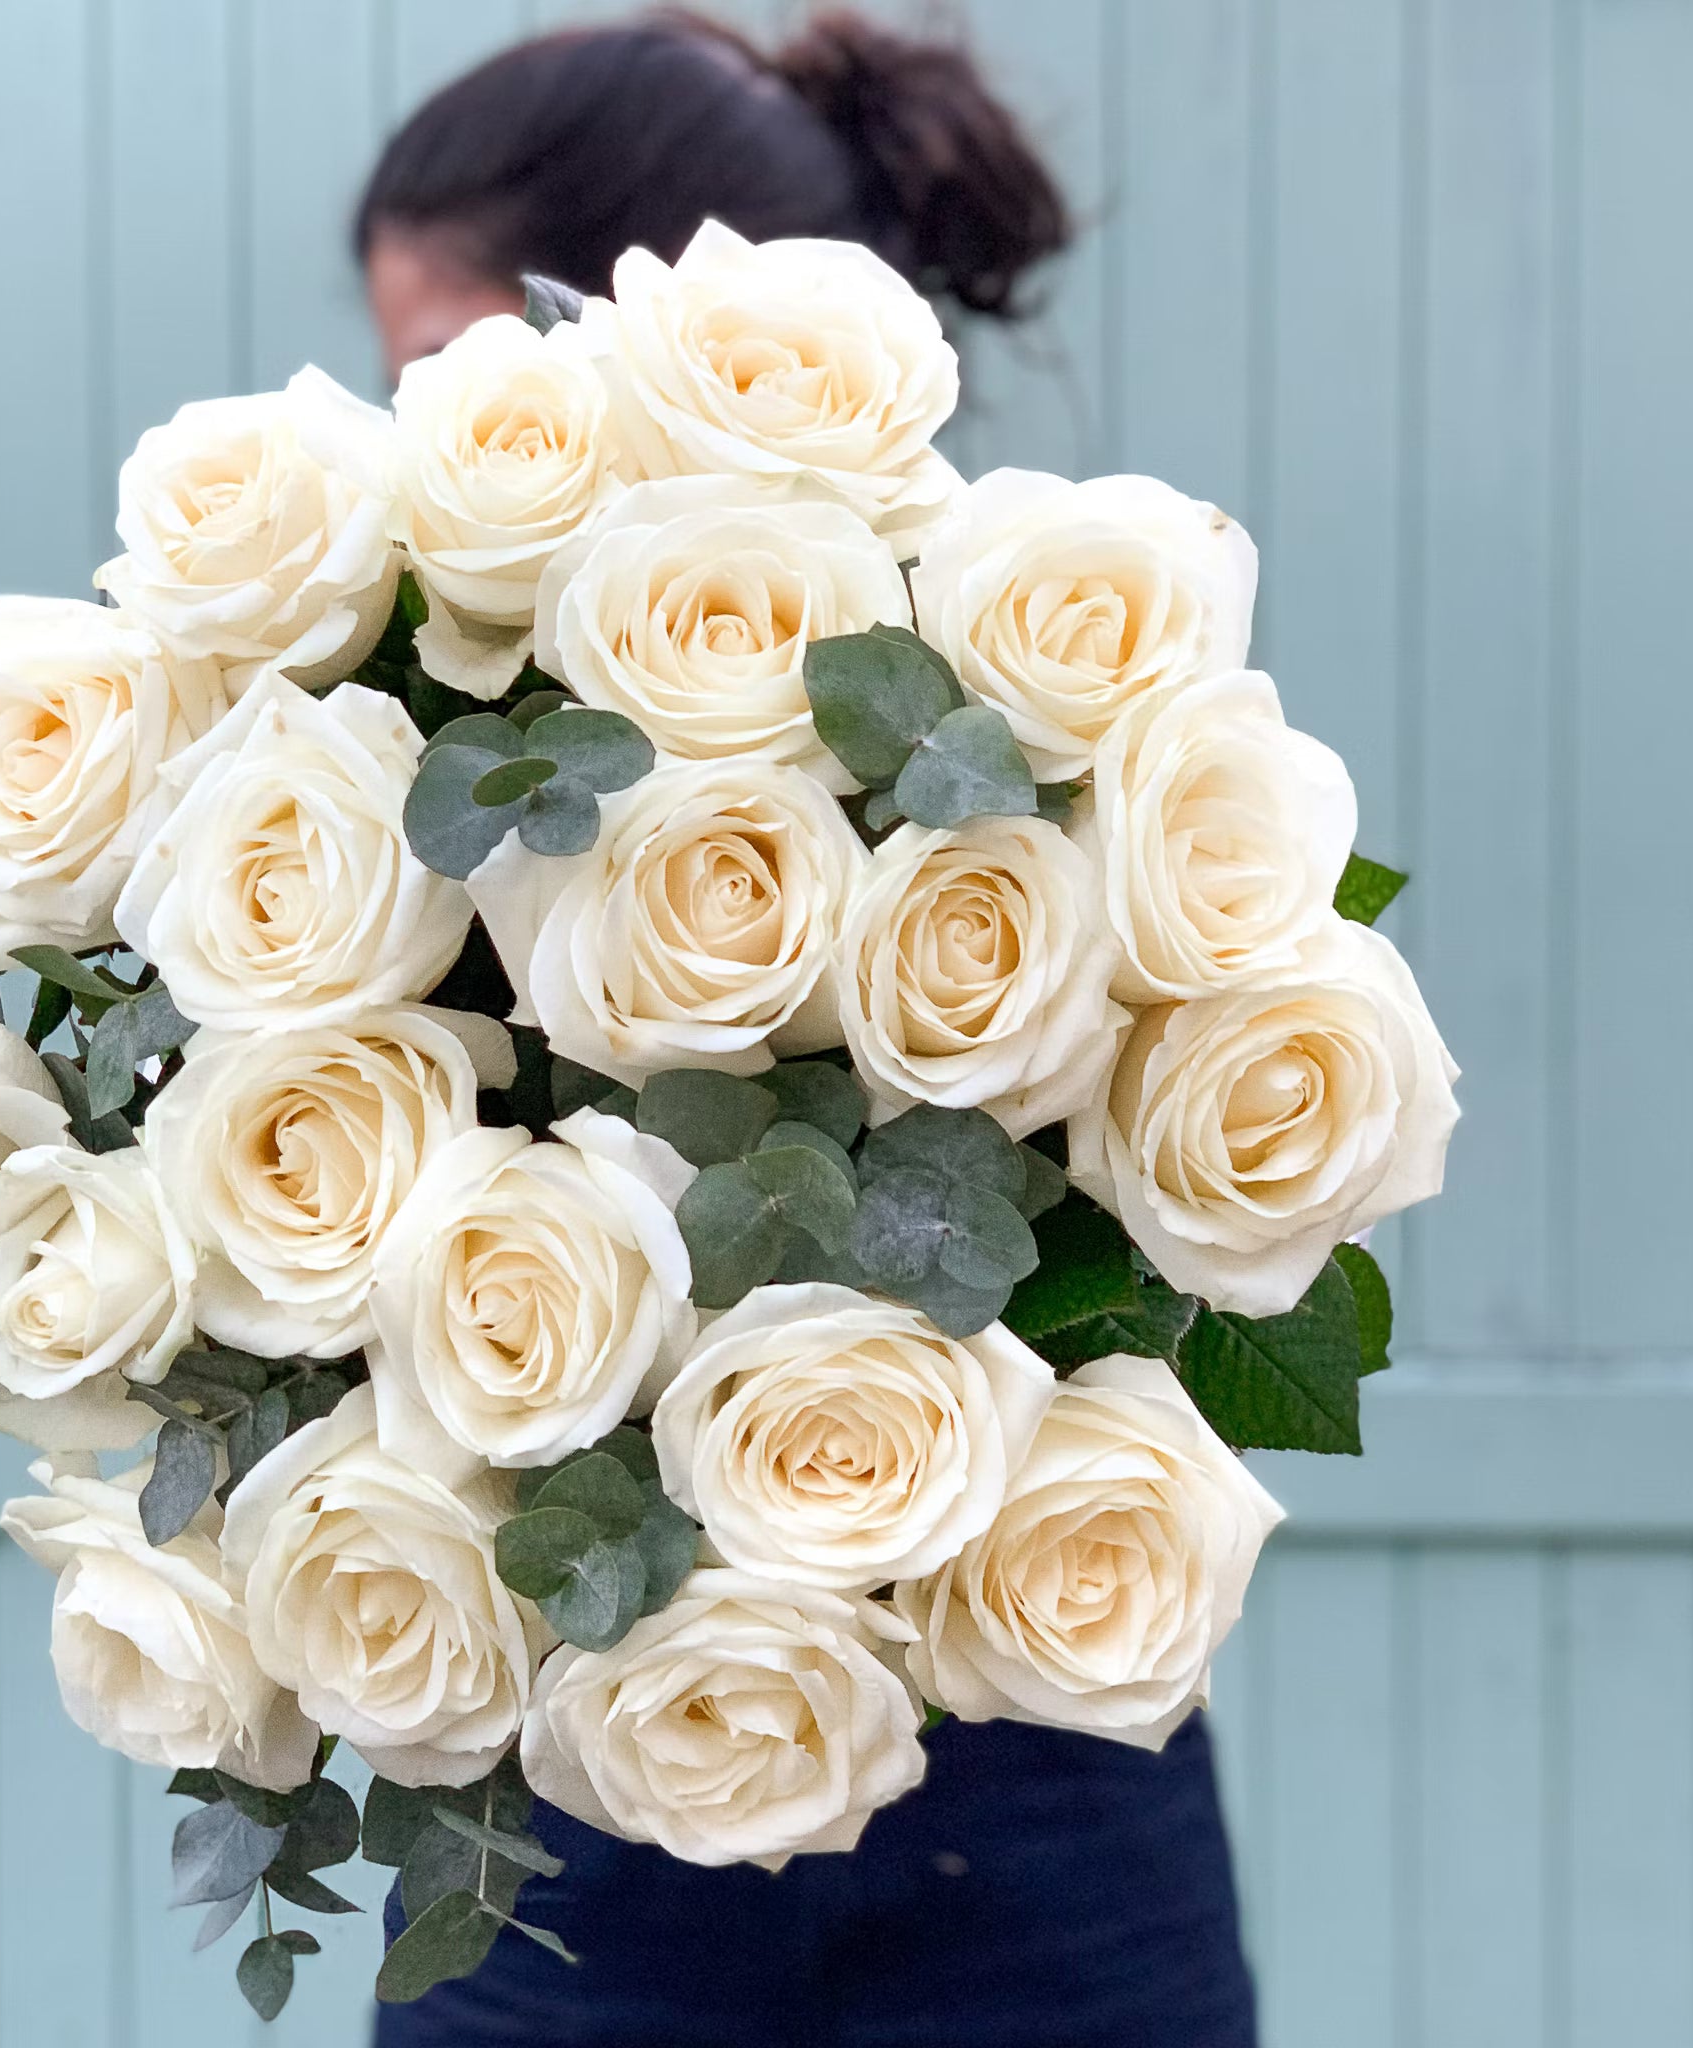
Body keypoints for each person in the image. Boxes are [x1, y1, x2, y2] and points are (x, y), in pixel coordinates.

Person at [354, 14, 1259, 2045]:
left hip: (1028, 1734)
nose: (417, 437)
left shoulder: (1044, 712)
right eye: (403, 381)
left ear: (658, 318)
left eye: (455, 366)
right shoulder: (390, 761)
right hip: (582, 1768)